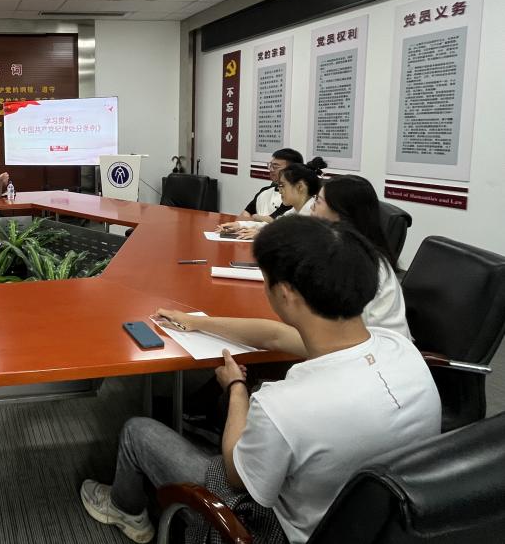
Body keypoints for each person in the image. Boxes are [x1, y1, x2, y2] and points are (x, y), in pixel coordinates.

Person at [81, 218, 441, 544]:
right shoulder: (400, 349)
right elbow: (276, 336)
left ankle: (125, 509)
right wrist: (198, 322)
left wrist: (236, 389)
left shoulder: (282, 405)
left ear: (284, 293)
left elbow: (236, 474)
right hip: (385, 523)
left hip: (281, 528)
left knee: (137, 431)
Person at [159, 175, 411, 359]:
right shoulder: (340, 252)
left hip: (370, 360)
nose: (311, 207)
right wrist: (197, 323)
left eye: (318, 202)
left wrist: (199, 323)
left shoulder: (358, 266)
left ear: (340, 214)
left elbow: (277, 336)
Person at [221, 158, 326, 239]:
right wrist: (239, 225)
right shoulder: (294, 210)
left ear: (300, 187)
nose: (279, 191)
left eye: (282, 185)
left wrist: (263, 235)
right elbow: (273, 226)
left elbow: (296, 237)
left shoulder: (313, 213)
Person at [236, 149, 304, 221]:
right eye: (270, 165)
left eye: (275, 167)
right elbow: (241, 218)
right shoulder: (265, 191)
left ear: (292, 170)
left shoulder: (295, 196)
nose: (271, 169)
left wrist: (255, 218)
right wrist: (255, 220)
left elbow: (275, 221)